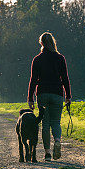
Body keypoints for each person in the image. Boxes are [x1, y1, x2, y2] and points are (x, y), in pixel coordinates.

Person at [27, 32, 71, 161]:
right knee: (56, 122)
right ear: (53, 42)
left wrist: (30, 98)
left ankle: (47, 153)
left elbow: (33, 79)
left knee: (45, 124)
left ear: (41, 43)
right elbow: (65, 78)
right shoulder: (60, 58)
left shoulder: (37, 59)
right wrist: (68, 95)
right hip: (57, 93)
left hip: (43, 94)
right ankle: (57, 141)